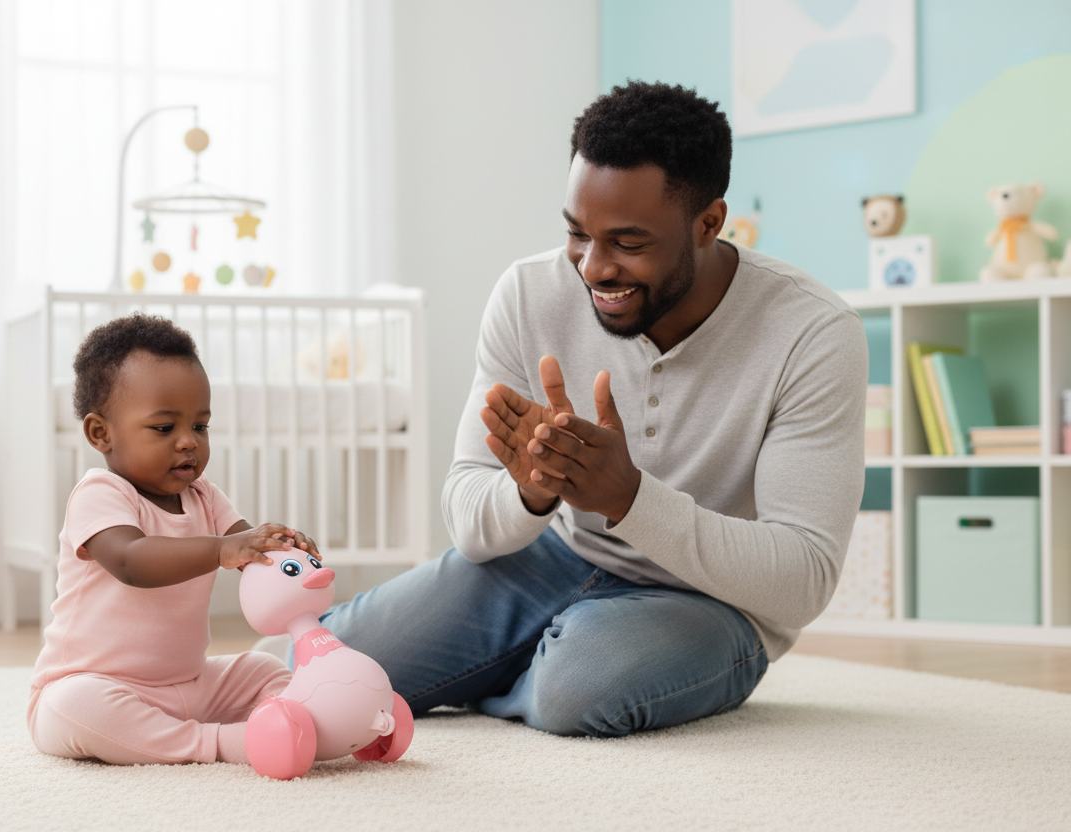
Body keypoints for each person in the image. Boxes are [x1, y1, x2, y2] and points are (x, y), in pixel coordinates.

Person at [314, 81, 867, 737]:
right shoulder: (528, 293)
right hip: (553, 558)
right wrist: (529, 492)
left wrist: (629, 497)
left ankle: (531, 668)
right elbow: (468, 514)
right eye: (578, 233)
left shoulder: (813, 332)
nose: (593, 268)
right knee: (322, 668)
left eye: (628, 242)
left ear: (709, 223)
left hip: (710, 603)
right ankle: (533, 658)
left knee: (576, 692)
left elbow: (801, 581)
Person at [28, 313, 320, 766]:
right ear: (100, 433)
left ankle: (299, 721)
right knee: (75, 708)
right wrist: (224, 550)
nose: (188, 442)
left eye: (200, 426)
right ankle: (222, 744)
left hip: (189, 683)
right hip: (98, 684)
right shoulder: (99, 495)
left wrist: (281, 547)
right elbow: (131, 560)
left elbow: (246, 550)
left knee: (264, 668)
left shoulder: (203, 495)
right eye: (165, 428)